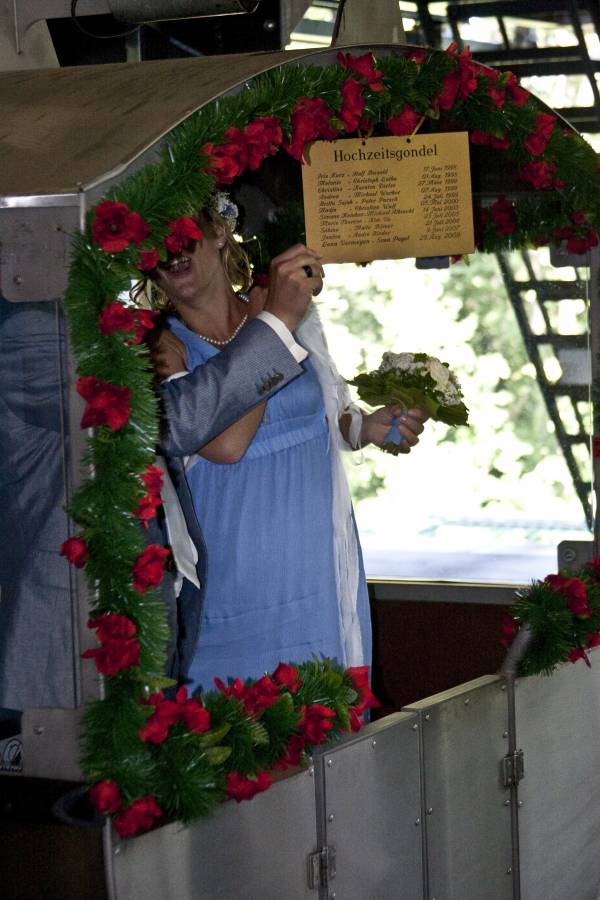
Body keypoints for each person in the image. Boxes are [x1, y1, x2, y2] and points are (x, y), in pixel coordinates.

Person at [151, 201, 427, 691]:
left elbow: (328, 410)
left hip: (316, 583)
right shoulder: (159, 347)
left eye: (182, 230)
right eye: (154, 241)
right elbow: (226, 445)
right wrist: (270, 328)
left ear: (219, 232)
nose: (170, 250)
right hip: (231, 597)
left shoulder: (285, 313)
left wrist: (368, 428)